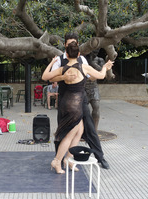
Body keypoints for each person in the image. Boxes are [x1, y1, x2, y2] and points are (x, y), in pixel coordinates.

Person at [42, 41, 113, 174]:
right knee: (69, 136)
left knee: (80, 131)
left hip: (67, 104)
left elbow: (45, 76)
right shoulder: (83, 67)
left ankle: (68, 159)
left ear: (66, 54)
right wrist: (106, 67)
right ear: (79, 54)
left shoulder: (63, 69)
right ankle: (57, 161)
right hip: (75, 107)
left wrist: (51, 63)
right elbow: (101, 76)